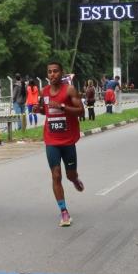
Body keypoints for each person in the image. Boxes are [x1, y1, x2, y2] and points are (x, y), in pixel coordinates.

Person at [34, 60, 85, 227]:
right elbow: (46, 110)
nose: (52, 74)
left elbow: (81, 111)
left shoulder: (69, 90)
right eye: (49, 72)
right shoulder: (44, 92)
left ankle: (75, 179)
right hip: (51, 140)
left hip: (68, 140)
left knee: (70, 174)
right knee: (56, 175)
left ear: (61, 73)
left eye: (55, 71)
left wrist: (63, 107)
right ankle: (64, 212)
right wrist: (39, 110)